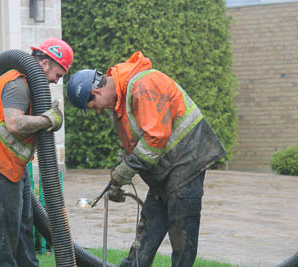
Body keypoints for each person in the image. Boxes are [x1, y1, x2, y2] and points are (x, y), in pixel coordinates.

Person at [66, 51, 226, 267]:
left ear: (96, 91)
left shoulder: (143, 85)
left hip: (187, 163)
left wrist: (125, 171)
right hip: (165, 173)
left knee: (182, 238)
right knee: (147, 232)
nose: (98, 111)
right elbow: (131, 146)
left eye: (95, 106)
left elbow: (155, 138)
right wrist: (118, 174)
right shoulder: (121, 102)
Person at [0, 38, 73, 267]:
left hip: (13, 164)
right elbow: (14, 124)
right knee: (6, 230)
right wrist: (48, 119)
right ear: (46, 63)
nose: (57, 80)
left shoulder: (31, 85)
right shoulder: (18, 84)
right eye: (59, 73)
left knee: (24, 225)